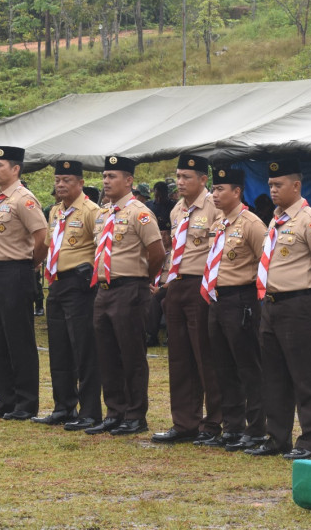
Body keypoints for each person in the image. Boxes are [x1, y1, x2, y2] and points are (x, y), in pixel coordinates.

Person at [244, 160, 311, 460]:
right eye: (270, 185)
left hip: (299, 305)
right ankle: (277, 437)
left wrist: (310, 284)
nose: (272, 190)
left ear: (296, 186)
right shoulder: (276, 220)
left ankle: (309, 442)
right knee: (274, 376)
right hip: (271, 305)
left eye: (278, 185)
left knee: (304, 376)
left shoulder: (310, 220)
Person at [86, 156, 164, 436]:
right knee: (107, 354)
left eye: (112, 176)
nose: (106, 181)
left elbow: (157, 252)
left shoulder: (140, 213)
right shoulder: (104, 214)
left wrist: (142, 280)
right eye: (105, 176)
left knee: (131, 354)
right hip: (104, 290)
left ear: (129, 180)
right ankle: (114, 412)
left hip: (130, 289)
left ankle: (135, 415)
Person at [150, 155, 224, 446]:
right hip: (176, 285)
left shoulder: (214, 207)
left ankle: (214, 422)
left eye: (187, 177)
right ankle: (184, 422)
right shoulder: (177, 209)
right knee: (179, 357)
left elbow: (216, 249)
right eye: (178, 176)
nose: (180, 182)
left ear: (203, 180)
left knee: (205, 356)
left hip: (201, 285)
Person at [0, 146, 49, 421]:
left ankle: (26, 403)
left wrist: (31, 264)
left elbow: (42, 237)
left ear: (16, 169)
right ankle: (4, 399)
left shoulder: (24, 199)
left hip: (16, 271)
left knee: (19, 339)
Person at [34, 160, 103, 430]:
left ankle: (90, 412)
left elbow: (101, 248)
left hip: (79, 284)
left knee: (84, 349)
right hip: (57, 283)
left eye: (67, 180)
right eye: (58, 180)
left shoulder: (91, 211)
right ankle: (64, 406)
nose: (61, 185)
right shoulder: (55, 212)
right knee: (59, 348)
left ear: (80, 183)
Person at [203, 165, 267, 452]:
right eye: (214, 189)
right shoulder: (219, 223)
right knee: (223, 366)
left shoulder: (251, 223)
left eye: (220, 189)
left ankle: (256, 429)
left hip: (241, 299)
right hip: (217, 300)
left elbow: (266, 262)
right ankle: (232, 427)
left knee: (247, 366)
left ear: (237, 191)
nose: (215, 194)